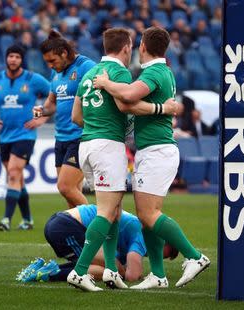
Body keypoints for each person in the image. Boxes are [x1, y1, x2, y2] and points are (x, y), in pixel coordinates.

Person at [94, 26, 210, 289]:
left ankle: (194, 256)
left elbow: (127, 96)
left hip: (158, 150)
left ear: (142, 47)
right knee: (146, 214)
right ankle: (158, 274)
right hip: (152, 150)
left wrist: (105, 83)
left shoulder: (155, 71)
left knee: (148, 214)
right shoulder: (162, 71)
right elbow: (130, 102)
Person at [67, 28, 178, 292]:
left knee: (114, 211)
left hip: (87, 144)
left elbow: (75, 116)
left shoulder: (89, 73)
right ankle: (80, 271)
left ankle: (108, 271)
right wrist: (162, 109)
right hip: (108, 146)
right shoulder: (120, 73)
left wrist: (97, 124)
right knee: (107, 211)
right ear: (127, 48)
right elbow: (124, 105)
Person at [0, 44, 50, 231]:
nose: (13, 59)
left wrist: (40, 118)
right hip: (5, 136)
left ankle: (6, 219)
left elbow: (53, 95)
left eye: (17, 56)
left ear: (21, 60)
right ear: (6, 58)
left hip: (25, 134)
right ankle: (28, 220)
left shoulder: (33, 79)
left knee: (14, 173)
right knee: (16, 178)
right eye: (11, 56)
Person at [15, 204, 178, 284]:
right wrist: (142, 275)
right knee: (115, 271)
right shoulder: (145, 234)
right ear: (163, 242)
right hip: (68, 226)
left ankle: (47, 268)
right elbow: (131, 275)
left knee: (107, 268)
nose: (160, 257)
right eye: (167, 253)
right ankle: (51, 274)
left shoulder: (139, 228)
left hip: (63, 222)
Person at [33, 30, 95, 209]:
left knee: (65, 186)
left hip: (80, 136)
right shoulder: (56, 74)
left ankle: (99, 227)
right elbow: (51, 104)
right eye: (47, 62)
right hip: (61, 138)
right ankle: (80, 233)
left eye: (52, 61)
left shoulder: (86, 67)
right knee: (71, 194)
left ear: (64, 53)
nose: (50, 66)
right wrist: (40, 112)